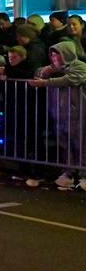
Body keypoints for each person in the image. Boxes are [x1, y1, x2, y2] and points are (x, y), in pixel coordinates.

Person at [29, 42, 86, 190]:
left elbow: (72, 79)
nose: (54, 58)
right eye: (52, 55)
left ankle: (83, 174)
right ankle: (68, 173)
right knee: (64, 145)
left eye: (57, 54)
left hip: (78, 113)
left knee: (80, 145)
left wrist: (46, 82)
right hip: (59, 113)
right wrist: (46, 70)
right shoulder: (55, 69)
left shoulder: (79, 66)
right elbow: (38, 74)